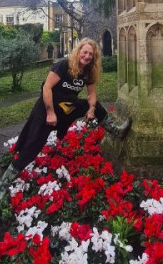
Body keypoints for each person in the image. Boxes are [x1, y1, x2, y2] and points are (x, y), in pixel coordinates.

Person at [10, 38, 129, 172]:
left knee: (94, 106)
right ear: (78, 52)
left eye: (91, 54)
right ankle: (3, 185)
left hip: (67, 106)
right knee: (33, 144)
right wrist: (50, 113)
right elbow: (47, 88)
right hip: (47, 107)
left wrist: (91, 109)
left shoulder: (89, 71)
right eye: (85, 52)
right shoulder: (63, 65)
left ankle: (116, 130)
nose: (87, 56)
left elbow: (91, 94)